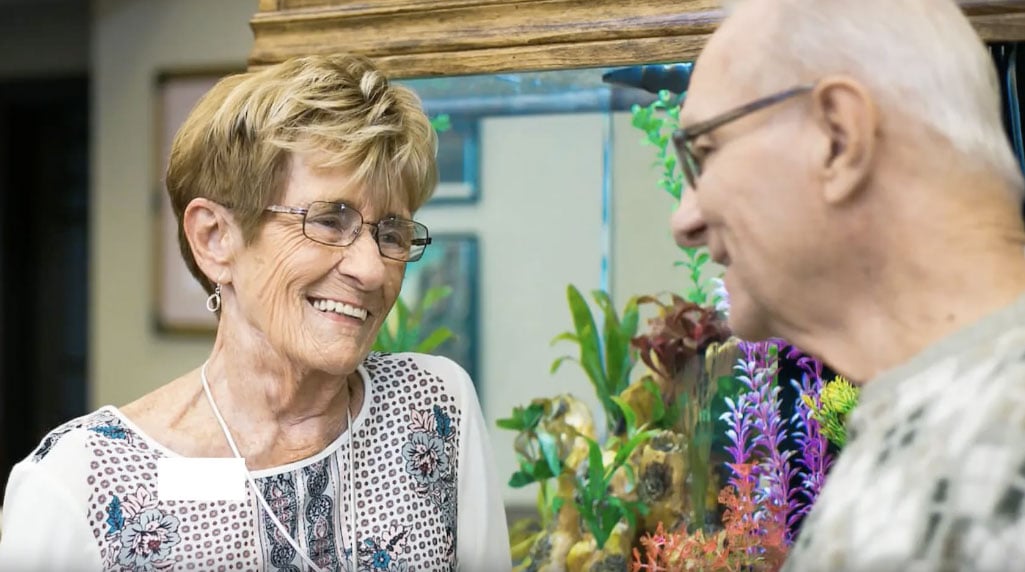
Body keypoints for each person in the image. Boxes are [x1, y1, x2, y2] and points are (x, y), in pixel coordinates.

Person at [0, 54, 511, 572]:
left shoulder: (434, 410)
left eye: (392, 233)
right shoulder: (80, 482)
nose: (373, 270)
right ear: (215, 239)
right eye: (331, 221)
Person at [671, 0, 1025, 569]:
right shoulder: (947, 417)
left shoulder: (999, 436)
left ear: (838, 135)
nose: (684, 220)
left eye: (705, 152)